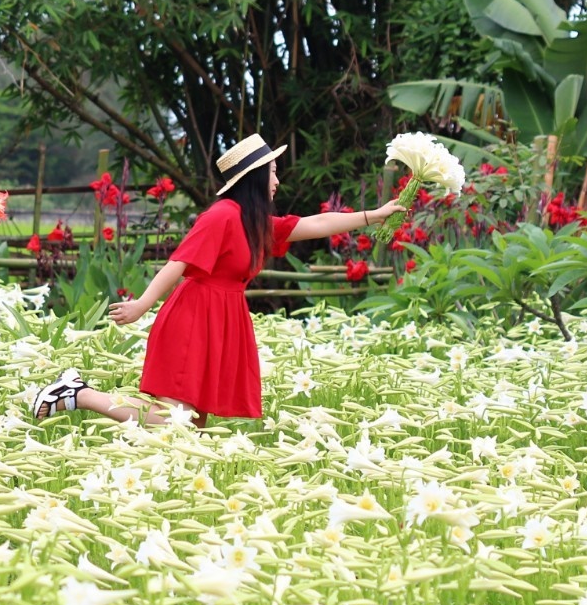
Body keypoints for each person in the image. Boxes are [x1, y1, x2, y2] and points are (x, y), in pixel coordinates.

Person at [30, 134, 406, 429]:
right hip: (194, 319)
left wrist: (376, 214)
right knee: (175, 421)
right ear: (256, 177)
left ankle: (81, 399)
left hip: (221, 320)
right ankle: (78, 395)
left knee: (190, 424)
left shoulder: (253, 222)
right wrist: (141, 305)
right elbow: (179, 262)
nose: (278, 179)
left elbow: (317, 224)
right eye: (273, 172)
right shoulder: (222, 215)